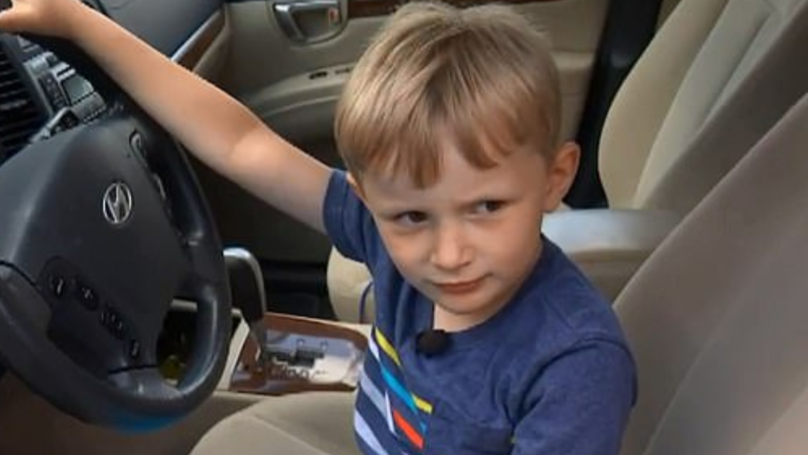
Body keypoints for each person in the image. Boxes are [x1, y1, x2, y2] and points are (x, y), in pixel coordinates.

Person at [0, 0, 636, 453]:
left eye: (489, 207)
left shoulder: (574, 366)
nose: (449, 254)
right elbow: (242, 142)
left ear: (556, 179)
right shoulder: (385, 240)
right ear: (367, 200)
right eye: (411, 216)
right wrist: (76, 22)